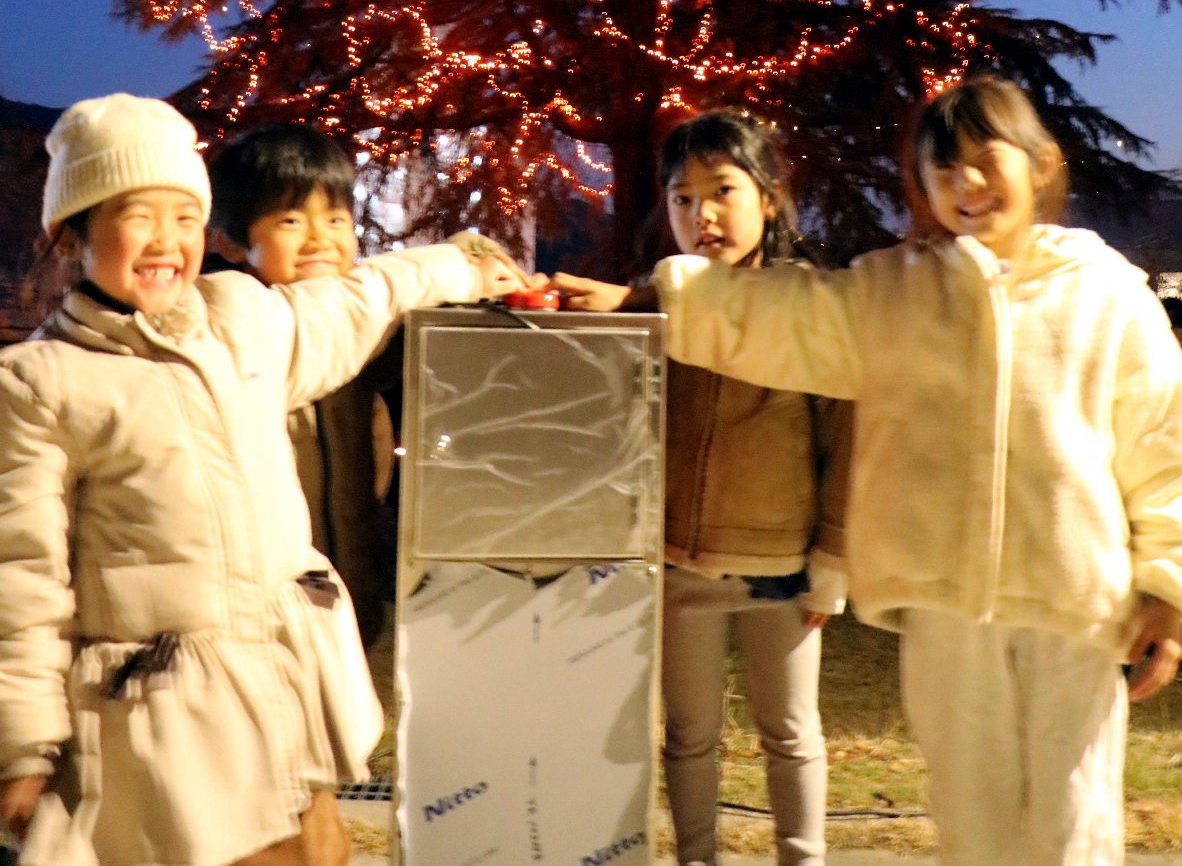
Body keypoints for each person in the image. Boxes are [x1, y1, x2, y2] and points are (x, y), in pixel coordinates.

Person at [558, 76, 1182, 866]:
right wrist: (647, 301)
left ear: (1041, 162)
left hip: (1074, 609)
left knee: (1073, 826)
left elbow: (1164, 448)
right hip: (944, 609)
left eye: (986, 161)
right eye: (942, 171)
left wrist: (1166, 583)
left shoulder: (1110, 298)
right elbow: (780, 316)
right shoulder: (897, 292)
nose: (968, 185)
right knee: (971, 818)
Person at [0, 94, 525, 866]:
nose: (166, 241)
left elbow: (356, 299)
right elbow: (24, 575)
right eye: (136, 215)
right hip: (168, 706)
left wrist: (461, 262)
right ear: (73, 232)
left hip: (285, 672)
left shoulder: (241, 316)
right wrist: (24, 743)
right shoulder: (40, 382)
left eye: (185, 217)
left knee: (323, 852)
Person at [631, 111, 849, 866]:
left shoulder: (807, 303)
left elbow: (846, 440)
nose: (703, 215)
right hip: (676, 559)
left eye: (722, 190)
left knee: (790, 732)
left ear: (769, 195)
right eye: (682, 199)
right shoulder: (657, 302)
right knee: (688, 736)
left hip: (780, 565)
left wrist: (835, 562)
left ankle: (802, 857)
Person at [208, 124, 404, 652]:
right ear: (228, 241)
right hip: (258, 616)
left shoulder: (368, 336)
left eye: (336, 219)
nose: (320, 238)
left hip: (347, 603)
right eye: (291, 220)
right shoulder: (226, 339)